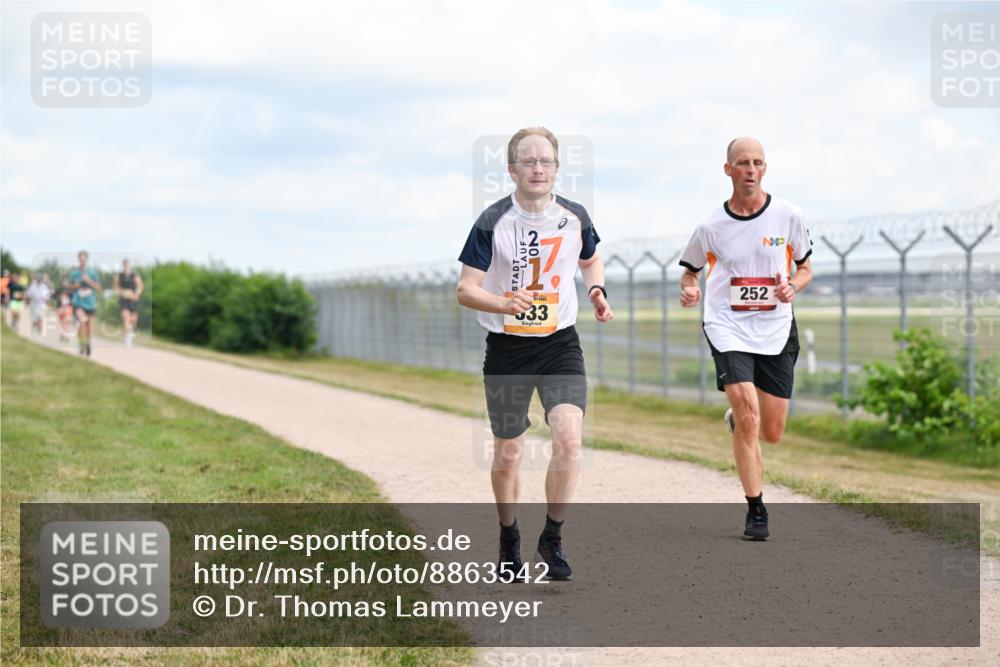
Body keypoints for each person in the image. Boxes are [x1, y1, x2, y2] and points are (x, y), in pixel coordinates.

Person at [457, 127, 613, 581]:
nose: (538, 168)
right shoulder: (492, 221)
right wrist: (503, 302)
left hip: (559, 343)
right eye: (528, 161)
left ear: (557, 169)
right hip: (506, 347)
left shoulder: (575, 215)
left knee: (568, 439)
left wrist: (597, 290)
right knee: (508, 452)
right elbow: (466, 290)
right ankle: (509, 540)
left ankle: (554, 537)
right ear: (512, 170)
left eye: (546, 161)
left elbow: (590, 259)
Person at [678, 137, 814, 541]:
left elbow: (806, 268)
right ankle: (756, 509)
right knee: (750, 415)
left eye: (757, 162)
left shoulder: (789, 216)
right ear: (728, 170)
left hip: (775, 328)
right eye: (742, 163)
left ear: (765, 168)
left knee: (769, 431)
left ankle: (738, 421)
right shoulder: (710, 227)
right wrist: (689, 288)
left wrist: (794, 285)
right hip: (727, 326)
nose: (750, 170)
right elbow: (690, 271)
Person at [67, 251, 102, 357]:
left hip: (90, 303)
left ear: (87, 260)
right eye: (80, 260)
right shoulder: (74, 273)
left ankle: (87, 343)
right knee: (82, 322)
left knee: (89, 326)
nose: (82, 262)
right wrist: (75, 286)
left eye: (84, 260)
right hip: (78, 302)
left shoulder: (92, 272)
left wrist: (89, 281)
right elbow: (68, 286)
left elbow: (99, 288)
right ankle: (81, 344)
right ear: (78, 260)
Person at [114, 259, 143, 347]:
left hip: (133, 299)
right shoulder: (119, 276)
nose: (126, 267)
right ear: (123, 266)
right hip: (124, 299)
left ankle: (130, 330)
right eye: (125, 265)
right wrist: (121, 292)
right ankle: (127, 338)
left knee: (133, 319)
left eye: (128, 265)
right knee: (126, 316)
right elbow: (116, 287)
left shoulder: (135, 275)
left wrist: (137, 294)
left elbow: (140, 286)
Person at [25, 273, 53, 337]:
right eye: (38, 279)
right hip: (33, 305)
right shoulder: (32, 286)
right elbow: (28, 295)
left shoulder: (45, 287)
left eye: (40, 279)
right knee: (34, 320)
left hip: (42, 305)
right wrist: (27, 302)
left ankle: (39, 333)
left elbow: (47, 297)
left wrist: (49, 304)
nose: (39, 280)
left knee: (40, 319)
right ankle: (35, 328)